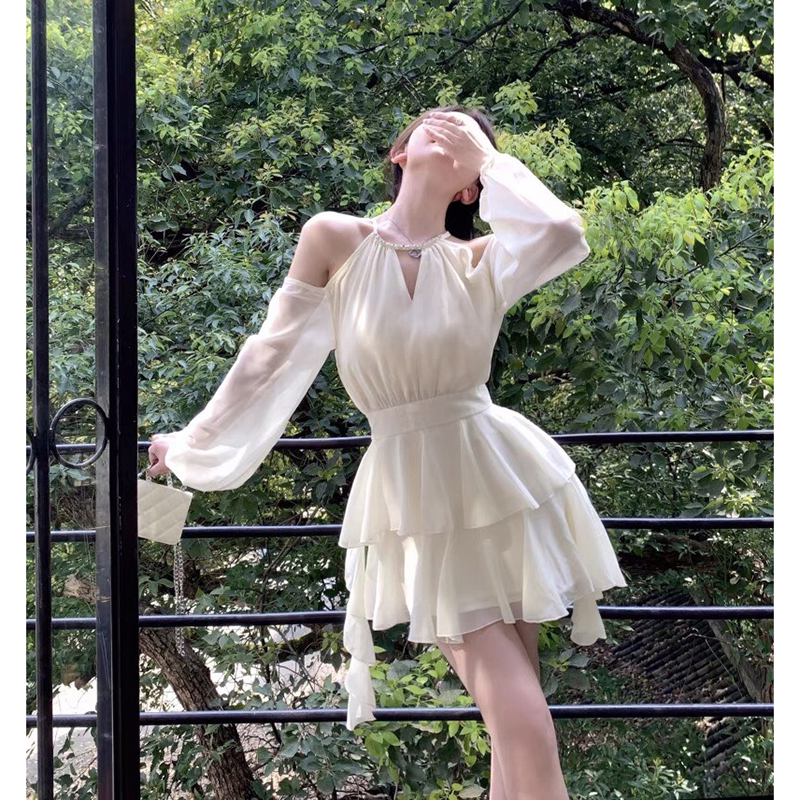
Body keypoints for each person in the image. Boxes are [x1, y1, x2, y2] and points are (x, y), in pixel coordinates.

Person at [147, 104, 628, 799]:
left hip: (501, 481)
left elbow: (562, 232)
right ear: (400, 154)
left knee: (516, 722)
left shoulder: (480, 260)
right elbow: (270, 353)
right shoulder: (334, 238)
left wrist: (491, 160)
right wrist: (193, 439)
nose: (449, 131)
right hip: (413, 491)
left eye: (466, 134)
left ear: (472, 186)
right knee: (520, 721)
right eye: (435, 123)